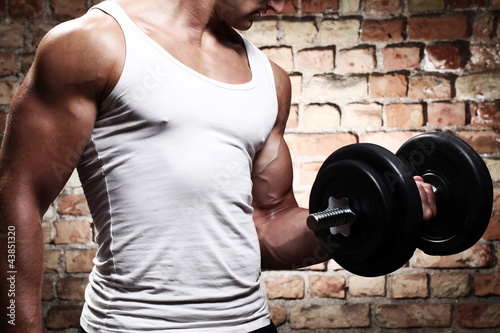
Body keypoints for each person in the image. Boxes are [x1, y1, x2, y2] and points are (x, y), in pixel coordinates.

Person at [0, 0, 437, 332]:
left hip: (250, 324)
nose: (280, 6)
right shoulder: (96, 44)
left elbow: (268, 225)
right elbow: (18, 199)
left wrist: (376, 215)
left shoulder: (270, 78)